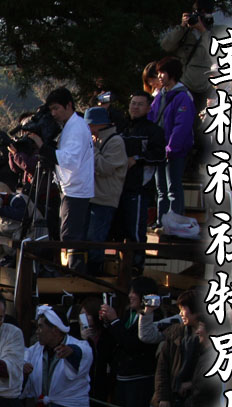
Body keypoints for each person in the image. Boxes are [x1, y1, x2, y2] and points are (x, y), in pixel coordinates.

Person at [99, 278, 161, 407]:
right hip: (122, 378)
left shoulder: (153, 316)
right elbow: (118, 340)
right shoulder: (128, 314)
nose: (131, 296)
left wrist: (114, 322)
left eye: (134, 292)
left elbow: (133, 344)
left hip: (139, 380)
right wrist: (108, 323)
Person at [33, 87, 94, 272]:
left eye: (56, 108)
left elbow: (70, 159)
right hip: (71, 187)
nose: (54, 113)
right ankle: (71, 272)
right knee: (69, 233)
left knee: (71, 235)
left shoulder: (76, 127)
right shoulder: (71, 125)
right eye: (51, 110)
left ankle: (74, 274)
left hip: (76, 188)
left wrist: (43, 147)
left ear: (69, 105)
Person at [117, 91, 166, 273]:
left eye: (139, 104)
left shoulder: (154, 131)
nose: (135, 107)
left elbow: (159, 155)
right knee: (118, 231)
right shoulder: (121, 129)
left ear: (148, 107)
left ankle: (136, 267)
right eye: (133, 103)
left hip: (138, 188)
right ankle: (120, 265)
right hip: (116, 188)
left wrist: (137, 158)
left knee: (136, 232)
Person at [149, 57, 195, 223]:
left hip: (175, 151)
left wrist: (172, 148)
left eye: (163, 72)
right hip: (160, 148)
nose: (159, 76)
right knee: (161, 189)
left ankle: (174, 221)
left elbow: (182, 125)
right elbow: (152, 117)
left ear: (172, 74)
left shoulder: (182, 96)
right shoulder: (161, 95)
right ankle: (162, 221)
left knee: (172, 187)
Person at [85, 106, 128, 275]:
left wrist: (91, 149)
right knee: (87, 239)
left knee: (95, 239)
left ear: (98, 124)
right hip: (92, 197)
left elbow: (105, 167)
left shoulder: (115, 141)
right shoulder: (98, 140)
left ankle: (95, 274)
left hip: (104, 199)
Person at [159, 0, 220, 111]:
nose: (202, 15)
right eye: (199, 12)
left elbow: (217, 54)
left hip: (205, 86)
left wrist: (203, 30)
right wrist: (182, 27)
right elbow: (166, 46)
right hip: (184, 83)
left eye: (206, 12)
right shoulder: (185, 31)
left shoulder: (216, 32)